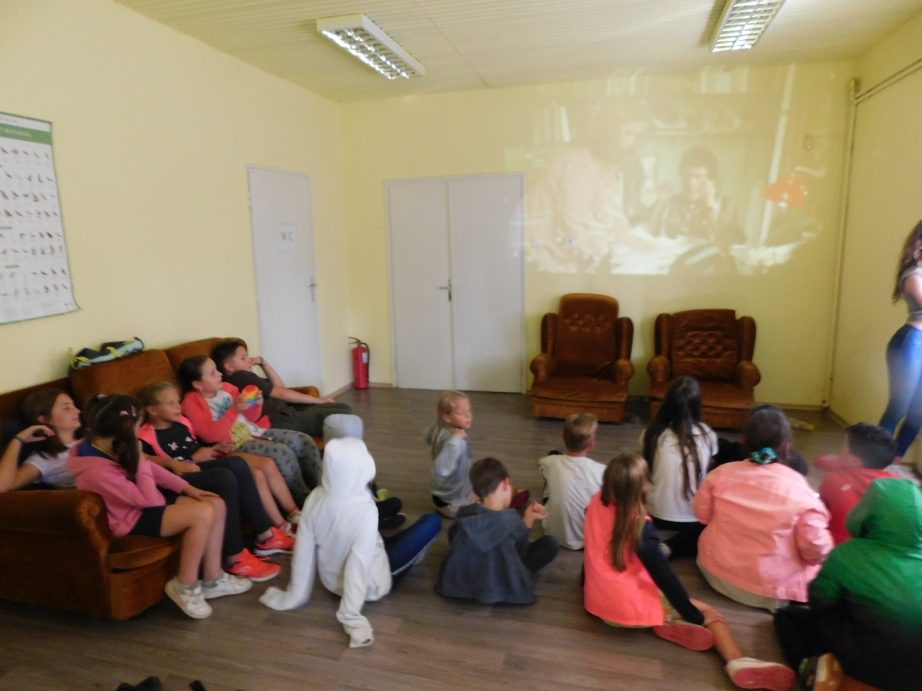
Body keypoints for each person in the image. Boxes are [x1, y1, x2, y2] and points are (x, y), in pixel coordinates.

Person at [584, 453, 795, 691]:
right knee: (712, 615)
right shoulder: (640, 527)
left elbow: (592, 548)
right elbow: (665, 576)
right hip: (625, 604)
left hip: (600, 603)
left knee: (665, 605)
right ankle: (736, 660)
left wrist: (586, 584)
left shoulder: (596, 502)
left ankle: (666, 622)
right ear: (643, 487)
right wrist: (693, 613)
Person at [67, 395, 250, 619]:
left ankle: (213, 580)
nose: (140, 428)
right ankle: (185, 585)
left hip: (139, 505)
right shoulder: (97, 471)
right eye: (139, 424)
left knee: (216, 503)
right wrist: (141, 460)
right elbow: (150, 499)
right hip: (128, 520)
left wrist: (187, 488)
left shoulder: (109, 443)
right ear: (126, 427)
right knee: (203, 513)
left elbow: (154, 473)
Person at [260, 438, 441, 648]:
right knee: (432, 522)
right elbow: (358, 565)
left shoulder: (314, 498)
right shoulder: (365, 511)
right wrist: (350, 614)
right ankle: (403, 550)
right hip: (374, 581)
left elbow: (303, 552)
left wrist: (295, 595)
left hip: (333, 581)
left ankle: (389, 526)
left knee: (386, 524)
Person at [773, 479, 922, 691]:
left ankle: (814, 671)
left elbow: (820, 602)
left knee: (788, 617)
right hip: (916, 677)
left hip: (867, 661)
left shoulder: (849, 554)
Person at [139, 382, 294, 581]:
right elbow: (152, 470)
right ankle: (234, 557)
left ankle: (266, 536)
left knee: (238, 464)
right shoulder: (146, 437)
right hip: (178, 478)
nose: (178, 407)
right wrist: (192, 460)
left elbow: (196, 445)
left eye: (178, 401)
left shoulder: (182, 422)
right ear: (152, 410)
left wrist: (215, 448)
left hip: (199, 466)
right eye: (171, 404)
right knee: (224, 477)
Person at [695, 405, 833, 611]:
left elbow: (702, 516)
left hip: (715, 573)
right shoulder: (799, 489)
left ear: (744, 441)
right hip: (772, 592)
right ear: (788, 447)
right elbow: (817, 548)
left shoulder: (720, 474)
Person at [178, 355, 320, 506]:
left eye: (217, 370)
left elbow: (251, 418)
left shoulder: (227, 388)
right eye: (213, 373)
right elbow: (209, 436)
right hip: (234, 444)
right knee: (282, 452)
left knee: (303, 440)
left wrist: (256, 404)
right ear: (198, 384)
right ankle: (306, 499)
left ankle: (322, 487)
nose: (219, 374)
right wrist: (234, 410)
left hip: (254, 431)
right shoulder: (191, 402)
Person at [436, 457, 559, 604]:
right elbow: (520, 551)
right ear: (506, 483)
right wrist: (529, 519)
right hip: (507, 589)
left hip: (459, 588)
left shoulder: (463, 517)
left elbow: (452, 537)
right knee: (551, 543)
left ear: (476, 496)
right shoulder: (512, 522)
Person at [211, 339, 356, 439]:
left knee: (344, 409)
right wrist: (319, 400)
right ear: (229, 366)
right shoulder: (241, 377)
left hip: (287, 414)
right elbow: (281, 393)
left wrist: (262, 362)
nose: (249, 360)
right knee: (343, 415)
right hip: (279, 420)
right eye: (243, 358)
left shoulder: (245, 377)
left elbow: (279, 387)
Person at [641, 376, 717, 558]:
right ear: (697, 406)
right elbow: (709, 467)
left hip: (655, 514)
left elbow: (647, 468)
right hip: (693, 518)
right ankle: (673, 547)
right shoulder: (707, 434)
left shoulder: (652, 433)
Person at [426, 391, 528, 518]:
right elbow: (440, 470)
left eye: (469, 410)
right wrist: (454, 442)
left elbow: (428, 437)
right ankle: (507, 500)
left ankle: (508, 493)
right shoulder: (455, 442)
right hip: (454, 504)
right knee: (504, 492)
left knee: (497, 487)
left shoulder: (439, 424)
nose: (468, 416)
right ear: (447, 417)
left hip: (441, 497)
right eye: (461, 413)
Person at [819, 423, 900, 545]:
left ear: (855, 461)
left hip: (837, 548)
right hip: (880, 549)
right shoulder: (901, 484)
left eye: (844, 447)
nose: (841, 452)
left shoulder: (833, 480)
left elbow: (819, 512)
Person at [881, 219, 922, 456]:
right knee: (899, 408)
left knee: (918, 412)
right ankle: (874, 460)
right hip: (911, 343)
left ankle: (894, 458)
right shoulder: (913, 275)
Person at [537, 413, 605, 550]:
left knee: (551, 463)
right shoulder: (602, 470)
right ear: (592, 445)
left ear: (563, 437)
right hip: (585, 539)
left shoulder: (551, 462)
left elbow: (539, 462)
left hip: (552, 534)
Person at [0, 389, 81, 493]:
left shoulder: (91, 433)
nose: (78, 411)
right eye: (66, 408)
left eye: (74, 406)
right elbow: (2, 486)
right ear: (45, 419)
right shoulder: (44, 459)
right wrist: (17, 440)